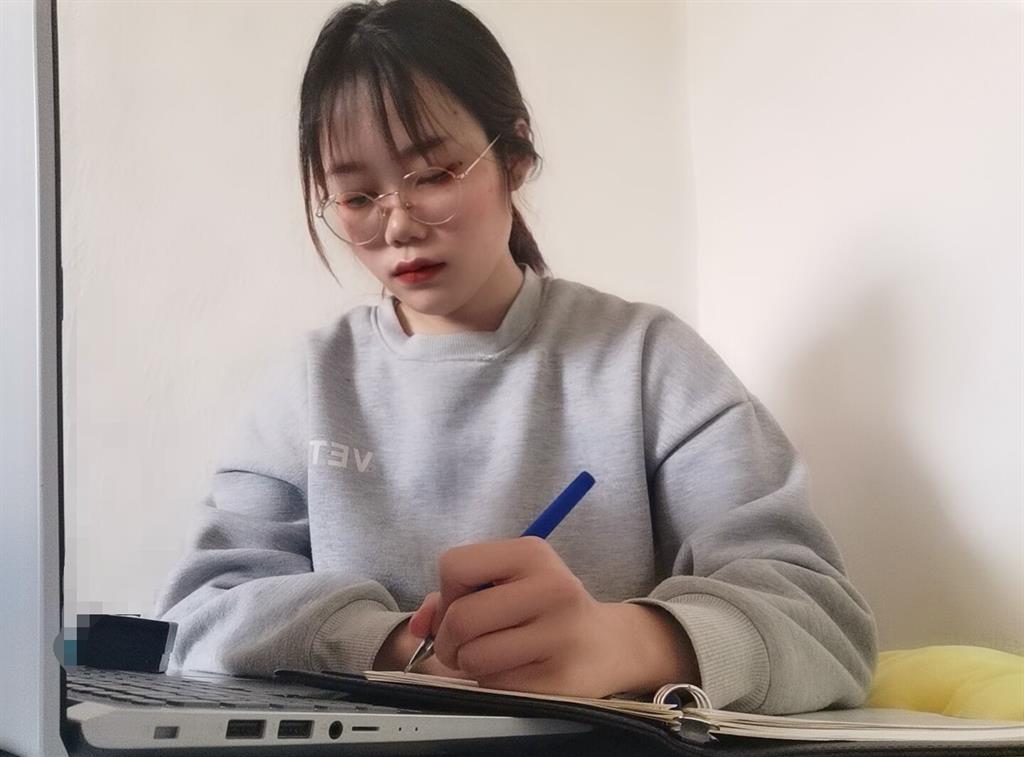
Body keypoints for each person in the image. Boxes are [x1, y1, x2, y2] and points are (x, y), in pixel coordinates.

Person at [153, 0, 877, 714]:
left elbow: (824, 624)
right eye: (357, 196)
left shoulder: (647, 362)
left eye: (433, 174)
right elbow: (195, 615)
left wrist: (628, 643)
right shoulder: (310, 385)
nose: (398, 224)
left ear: (516, 155)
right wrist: (398, 647)